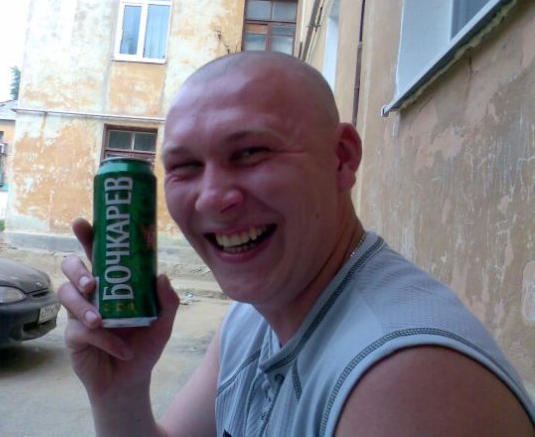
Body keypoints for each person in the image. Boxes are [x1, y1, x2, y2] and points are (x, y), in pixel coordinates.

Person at [59, 52, 535, 436]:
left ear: (341, 159)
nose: (212, 198)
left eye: (250, 153)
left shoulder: (407, 384)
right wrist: (119, 390)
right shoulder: (250, 320)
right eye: (185, 167)